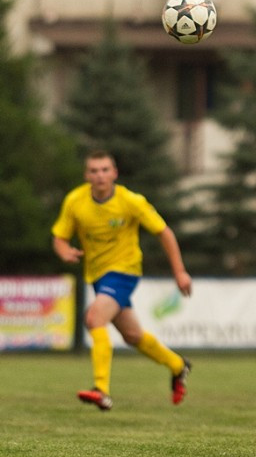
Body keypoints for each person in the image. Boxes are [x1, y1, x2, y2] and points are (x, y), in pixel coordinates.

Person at [52, 150, 192, 411]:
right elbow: (60, 237)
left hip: (125, 271)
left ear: (114, 173)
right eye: (94, 171)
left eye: (105, 170)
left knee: (94, 318)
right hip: (97, 275)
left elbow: (164, 232)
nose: (100, 175)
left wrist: (180, 272)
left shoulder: (131, 201)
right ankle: (177, 365)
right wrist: (64, 252)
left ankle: (101, 390)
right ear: (86, 175)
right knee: (132, 335)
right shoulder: (75, 201)